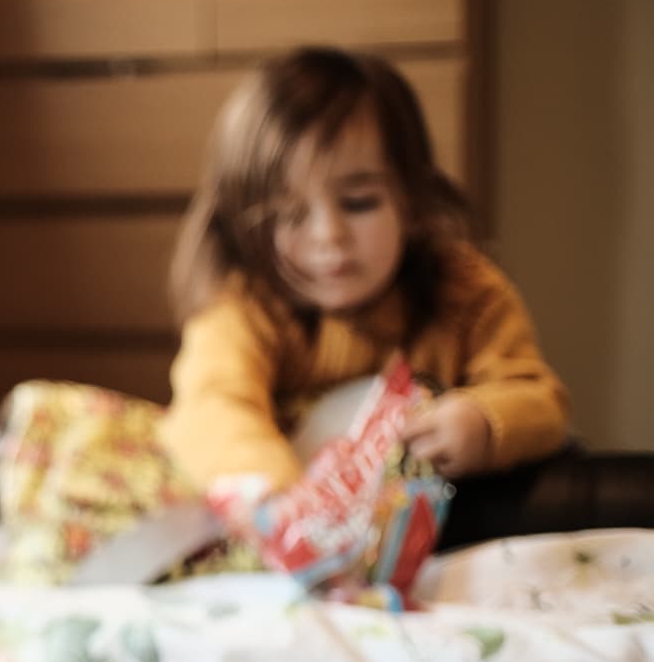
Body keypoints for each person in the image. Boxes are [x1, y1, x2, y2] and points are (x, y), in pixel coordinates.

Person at [160, 46, 570, 500]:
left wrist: (483, 422)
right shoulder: (244, 304)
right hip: (283, 527)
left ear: (412, 202)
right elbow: (212, 407)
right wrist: (276, 495)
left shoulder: (465, 293)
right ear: (245, 224)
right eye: (289, 214)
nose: (328, 235)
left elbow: (540, 398)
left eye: (359, 203)